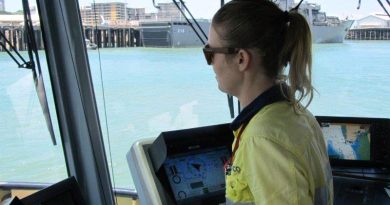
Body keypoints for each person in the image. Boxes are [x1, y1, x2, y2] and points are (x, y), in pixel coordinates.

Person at [202, 0, 334, 204]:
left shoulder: (263, 139)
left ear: (241, 59)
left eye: (210, 53)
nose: (210, 63)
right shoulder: (297, 114)